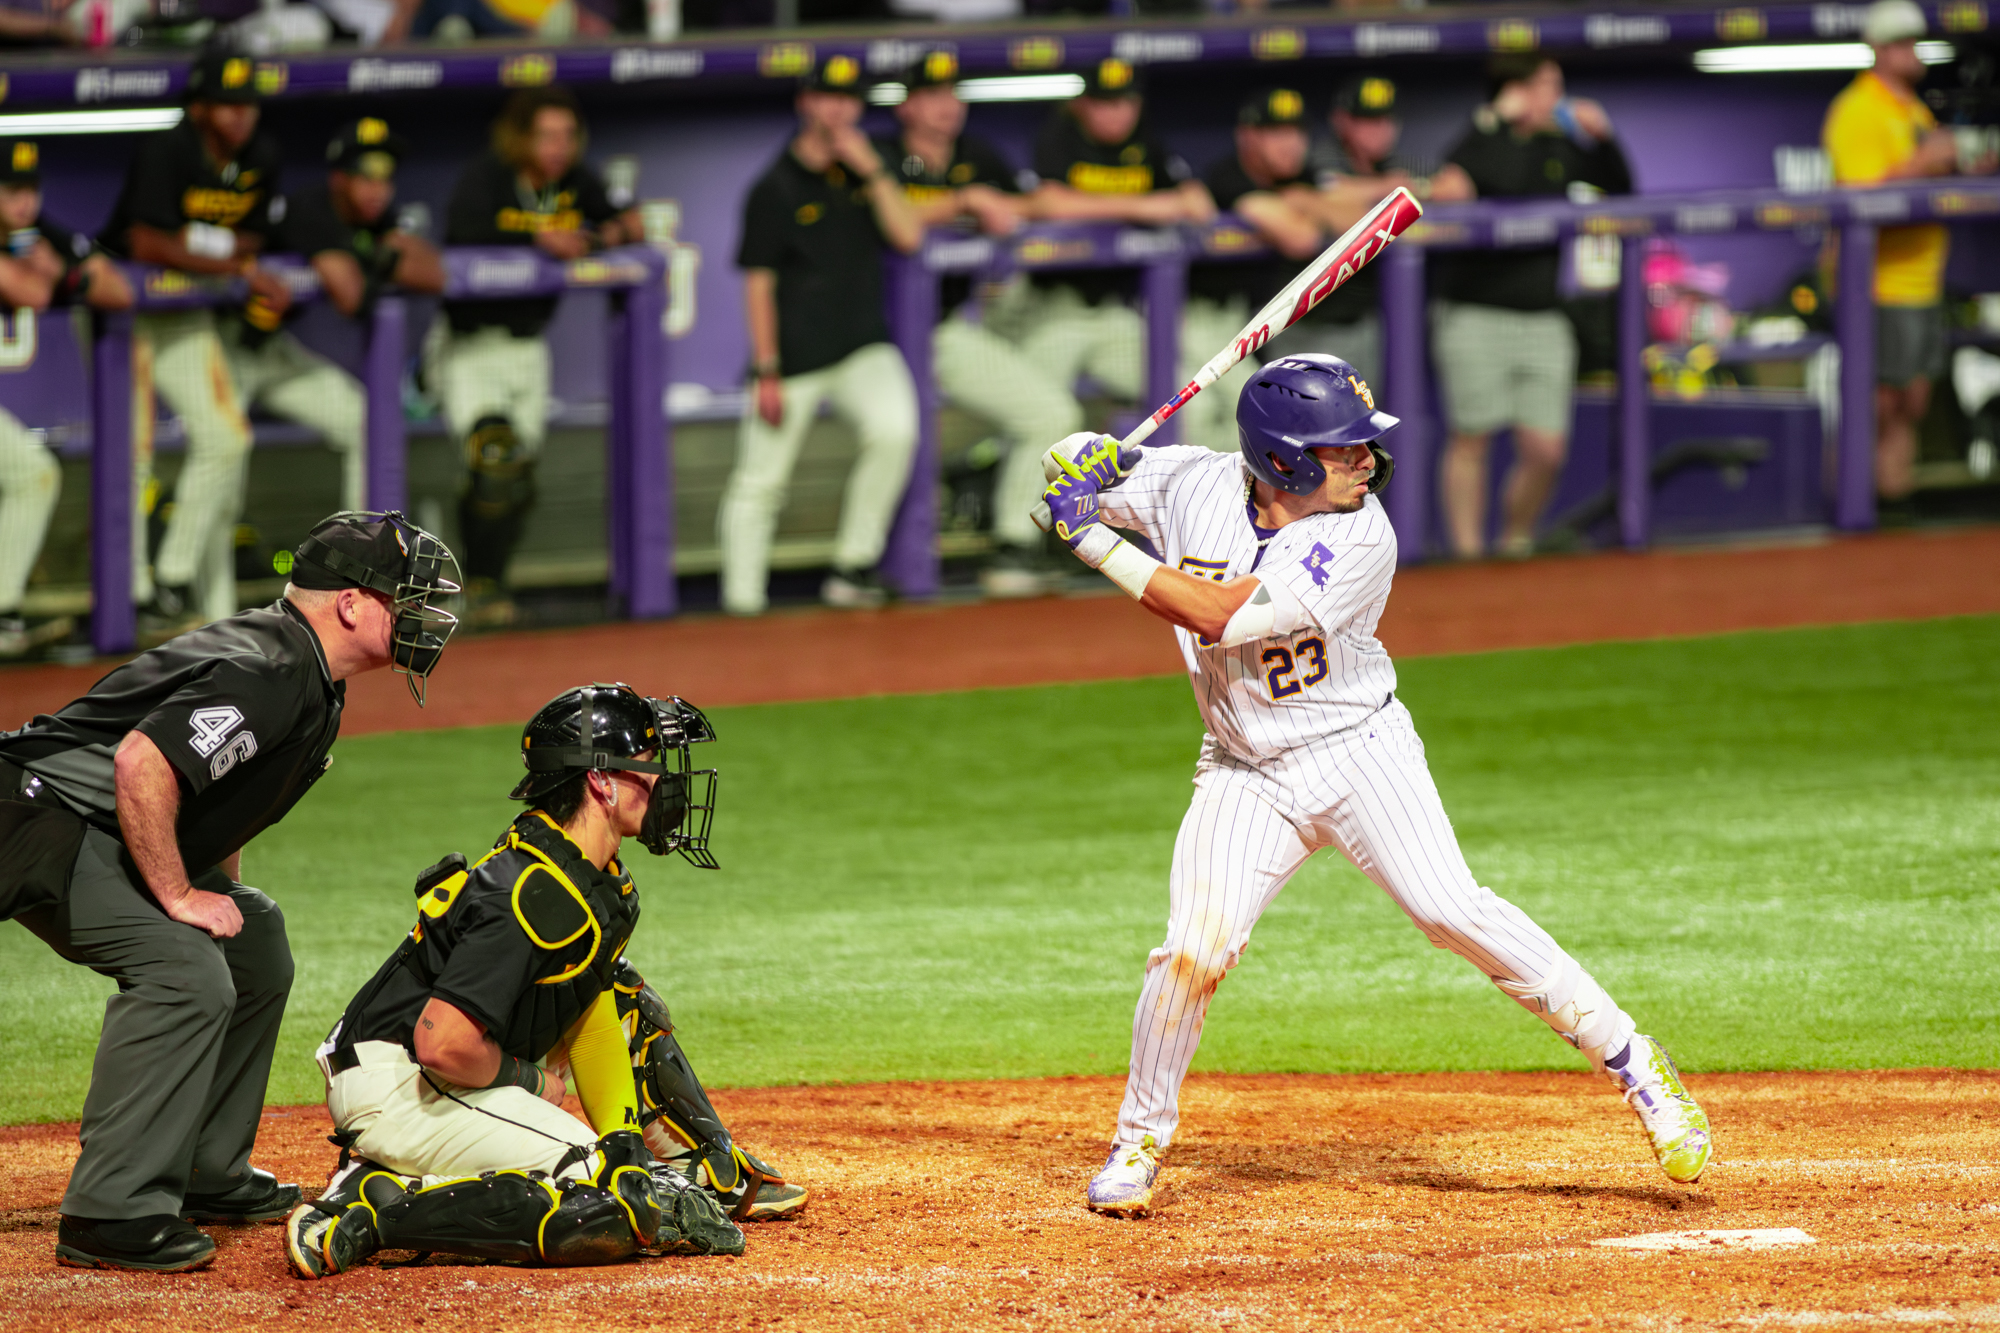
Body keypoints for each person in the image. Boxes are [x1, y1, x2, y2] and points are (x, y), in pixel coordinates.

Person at [1029, 356, 1711, 1217]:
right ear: (1284, 461)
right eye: (1343, 449)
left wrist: (1088, 537)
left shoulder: (1360, 536)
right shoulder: (1192, 485)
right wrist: (1077, 459)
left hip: (1358, 751)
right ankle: (1138, 1140)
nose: (1366, 461)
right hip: (1244, 769)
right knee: (1193, 948)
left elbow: (1221, 616)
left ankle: (1635, 1063)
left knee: (1451, 909)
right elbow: (1083, 461)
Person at [0, 511, 460, 1273]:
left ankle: (205, 1169)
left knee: (251, 937)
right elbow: (144, 764)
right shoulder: (273, 667)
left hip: (84, 819)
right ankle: (109, 1212)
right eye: (405, 599)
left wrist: (216, 893)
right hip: (39, 817)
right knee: (185, 969)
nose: (423, 617)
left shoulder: (303, 665)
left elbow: (217, 788)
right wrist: (179, 897)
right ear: (350, 603)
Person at [282, 684, 804, 1278]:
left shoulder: (590, 875)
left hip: (445, 1073)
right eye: (652, 764)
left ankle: (705, 1163)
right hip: (401, 1082)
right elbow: (441, 1042)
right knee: (605, 1204)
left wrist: (626, 1145)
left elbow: (592, 1019)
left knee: (622, 996)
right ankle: (368, 1215)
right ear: (602, 781)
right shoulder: (533, 894)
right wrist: (529, 1082)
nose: (666, 782)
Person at [968, 57, 1210, 588]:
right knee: (1046, 415)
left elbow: (1196, 203)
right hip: (1050, 310)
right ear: (1083, 103)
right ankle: (1015, 540)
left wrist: (1142, 204)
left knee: (1185, 395)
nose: (1114, 113)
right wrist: (1146, 207)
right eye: (1103, 101)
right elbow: (1049, 202)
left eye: (1123, 101)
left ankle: (1179, 542)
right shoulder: (1060, 135)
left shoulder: (1146, 141)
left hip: (1111, 316)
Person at [98, 49, 294, 639]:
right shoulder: (168, 147)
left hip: (184, 312)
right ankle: (127, 592)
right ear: (200, 108)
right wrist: (229, 261)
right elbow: (144, 241)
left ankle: (172, 579)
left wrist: (206, 246)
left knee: (227, 437)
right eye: (227, 105)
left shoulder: (262, 157)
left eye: (248, 104)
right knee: (132, 455)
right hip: (125, 313)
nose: (240, 117)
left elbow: (257, 236)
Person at [718, 53, 923, 616]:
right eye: (826, 97)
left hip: (862, 345)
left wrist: (871, 169)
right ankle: (742, 602)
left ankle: (852, 567)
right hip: (793, 358)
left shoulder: (870, 165)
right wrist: (766, 369)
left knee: (896, 430)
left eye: (848, 98)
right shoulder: (774, 186)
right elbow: (757, 284)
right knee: (760, 480)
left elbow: (908, 236)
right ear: (805, 102)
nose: (837, 109)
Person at [437, 86, 641, 630]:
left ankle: (486, 582)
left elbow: (631, 224)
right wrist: (536, 241)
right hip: (471, 345)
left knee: (516, 478)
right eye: (546, 135)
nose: (558, 147)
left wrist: (593, 239)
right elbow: (460, 234)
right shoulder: (488, 179)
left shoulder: (575, 185)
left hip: (529, 348)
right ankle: (477, 584)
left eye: (567, 136)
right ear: (521, 136)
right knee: (494, 459)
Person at [875, 52, 1075, 599]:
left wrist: (996, 201)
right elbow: (890, 219)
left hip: (944, 330)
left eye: (952, 94)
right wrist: (963, 201)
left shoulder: (975, 155)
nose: (946, 107)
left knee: (1049, 410)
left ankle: (1012, 541)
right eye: (932, 95)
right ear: (908, 105)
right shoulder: (880, 157)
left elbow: (1030, 204)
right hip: (876, 336)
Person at [1427, 55, 1632, 560]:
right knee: (1471, 439)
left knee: (1546, 450)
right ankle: (1469, 556)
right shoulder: (1483, 143)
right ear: (1511, 92)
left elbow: (1623, 191)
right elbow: (1469, 178)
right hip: (1474, 312)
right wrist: (1494, 122)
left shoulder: (1559, 146)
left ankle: (1514, 541)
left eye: (1556, 86)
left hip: (1543, 315)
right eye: (1542, 87)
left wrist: (1603, 137)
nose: (1554, 98)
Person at [1824, 0, 1996, 516]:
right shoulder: (1858, 110)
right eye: (1901, 43)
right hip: (1873, 281)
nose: (1912, 51)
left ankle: (1893, 503)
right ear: (1877, 49)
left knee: (1913, 401)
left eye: (1914, 41)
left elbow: (1924, 177)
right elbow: (1858, 197)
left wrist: (1966, 169)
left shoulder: (1913, 110)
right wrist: (1924, 163)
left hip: (1920, 281)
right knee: (1878, 404)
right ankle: (1849, 506)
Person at [225, 117, 446, 515]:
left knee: (368, 424)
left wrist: (375, 252)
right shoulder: (311, 208)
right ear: (340, 179)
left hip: (272, 353)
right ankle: (192, 578)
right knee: (222, 458)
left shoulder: (372, 217)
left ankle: (362, 561)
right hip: (225, 348)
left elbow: (434, 273)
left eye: (385, 177)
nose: (378, 189)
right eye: (366, 177)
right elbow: (351, 295)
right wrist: (381, 255)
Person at [0, 138, 134, 660]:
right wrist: (64, 275)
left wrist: (63, 271)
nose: (24, 203)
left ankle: (4, 609)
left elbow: (117, 289)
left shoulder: (35, 232)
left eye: (30, 190)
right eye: (11, 191)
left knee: (33, 471)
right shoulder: (25, 242)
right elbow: (27, 291)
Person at [1182, 88, 1327, 453]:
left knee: (1243, 421)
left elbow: (1356, 212)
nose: (1290, 144)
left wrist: (1304, 199)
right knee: (1247, 416)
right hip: (1192, 318)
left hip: (1242, 321)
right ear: (1247, 136)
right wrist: (1307, 206)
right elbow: (1302, 236)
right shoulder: (1227, 175)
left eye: (1297, 132)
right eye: (1275, 132)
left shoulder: (1301, 178)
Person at [1283, 74, 1424, 386]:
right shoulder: (1320, 156)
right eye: (1366, 120)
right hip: (1311, 321)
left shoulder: (1392, 162)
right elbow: (1327, 196)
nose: (1378, 130)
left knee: (1362, 419)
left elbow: (1453, 185)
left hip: (1364, 319)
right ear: (1342, 121)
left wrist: (1398, 186)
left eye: (1384, 120)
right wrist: (1390, 188)